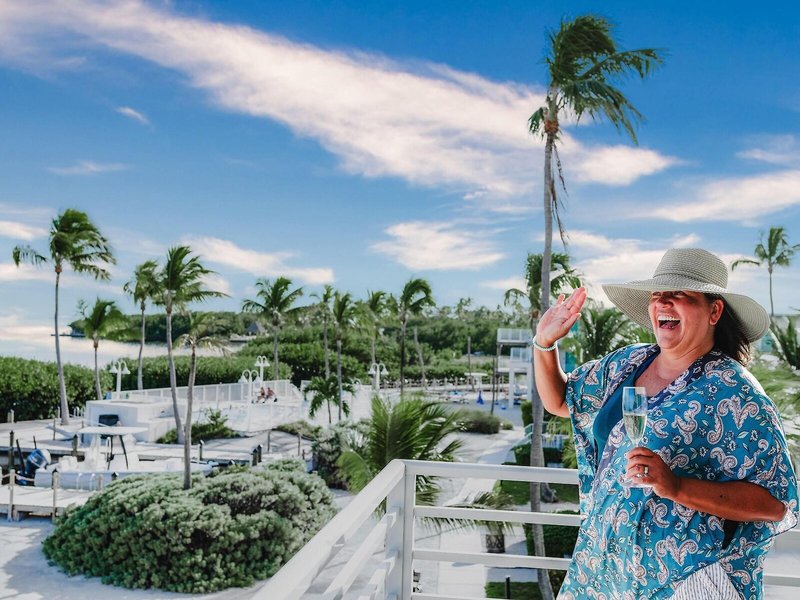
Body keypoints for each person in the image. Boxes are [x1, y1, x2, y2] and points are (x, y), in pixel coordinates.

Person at [533, 248, 798, 599]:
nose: (663, 301)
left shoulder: (736, 392)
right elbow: (561, 401)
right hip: (602, 572)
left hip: (685, 584)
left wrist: (676, 486)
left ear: (714, 311)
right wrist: (544, 343)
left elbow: (775, 503)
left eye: (680, 293)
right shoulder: (628, 363)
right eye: (658, 294)